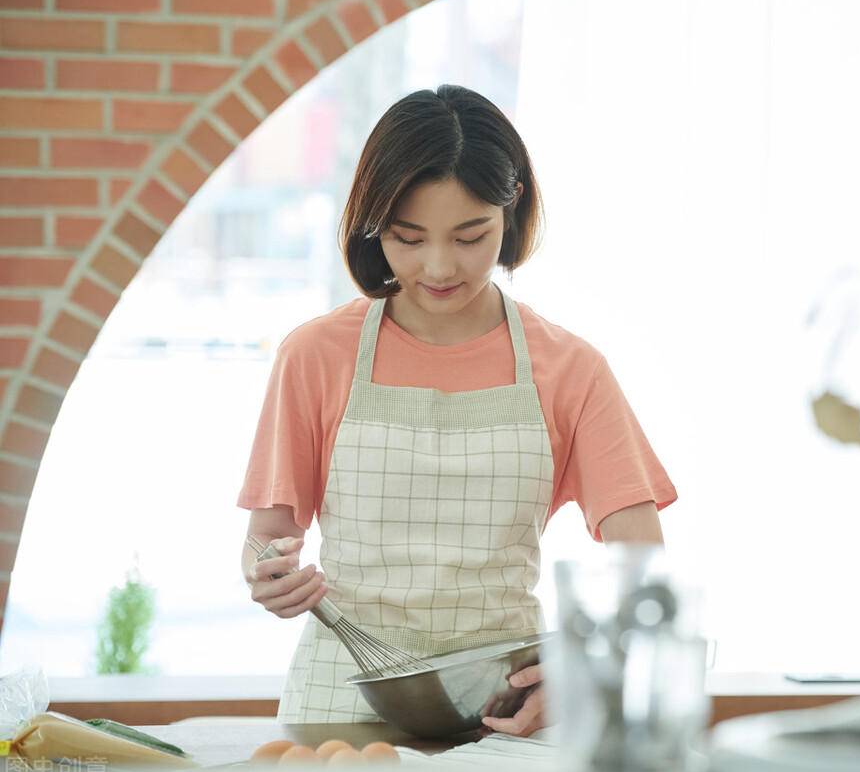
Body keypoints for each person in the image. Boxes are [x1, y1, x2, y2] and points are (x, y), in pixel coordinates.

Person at [237, 85, 677, 736]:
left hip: (509, 706)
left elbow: (640, 568)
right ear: (373, 223)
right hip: (341, 703)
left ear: (512, 205)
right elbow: (265, 538)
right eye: (407, 238)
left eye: (470, 236)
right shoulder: (314, 355)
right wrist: (267, 575)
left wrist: (580, 668)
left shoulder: (572, 369)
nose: (438, 266)